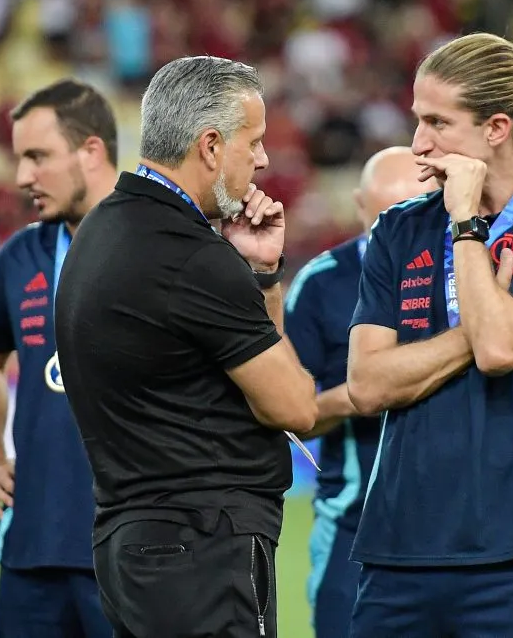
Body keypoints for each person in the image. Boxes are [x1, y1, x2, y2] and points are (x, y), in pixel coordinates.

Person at [346, 32, 513, 637]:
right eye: (417, 120)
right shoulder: (397, 229)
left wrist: (466, 225)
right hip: (396, 555)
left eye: (438, 123)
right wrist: (495, 312)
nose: (418, 144)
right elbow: (366, 385)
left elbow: (500, 353)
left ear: (496, 128)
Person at [53, 56, 318, 638]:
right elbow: (295, 408)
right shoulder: (191, 257)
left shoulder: (102, 230)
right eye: (256, 141)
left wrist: (260, 273)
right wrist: (251, 278)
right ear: (211, 145)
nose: (265, 158)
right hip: (204, 548)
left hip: (133, 547)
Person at [0, 78, 118, 636]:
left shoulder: (160, 246)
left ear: (90, 152)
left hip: (131, 558)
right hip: (31, 554)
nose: (22, 176)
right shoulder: (21, 255)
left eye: (38, 157)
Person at [284, 145, 438, 638]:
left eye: (418, 212)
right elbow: (291, 414)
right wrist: (368, 389)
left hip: (465, 529)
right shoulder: (322, 284)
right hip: (356, 529)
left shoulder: (468, 278)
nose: (402, 232)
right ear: (359, 205)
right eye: (387, 217)